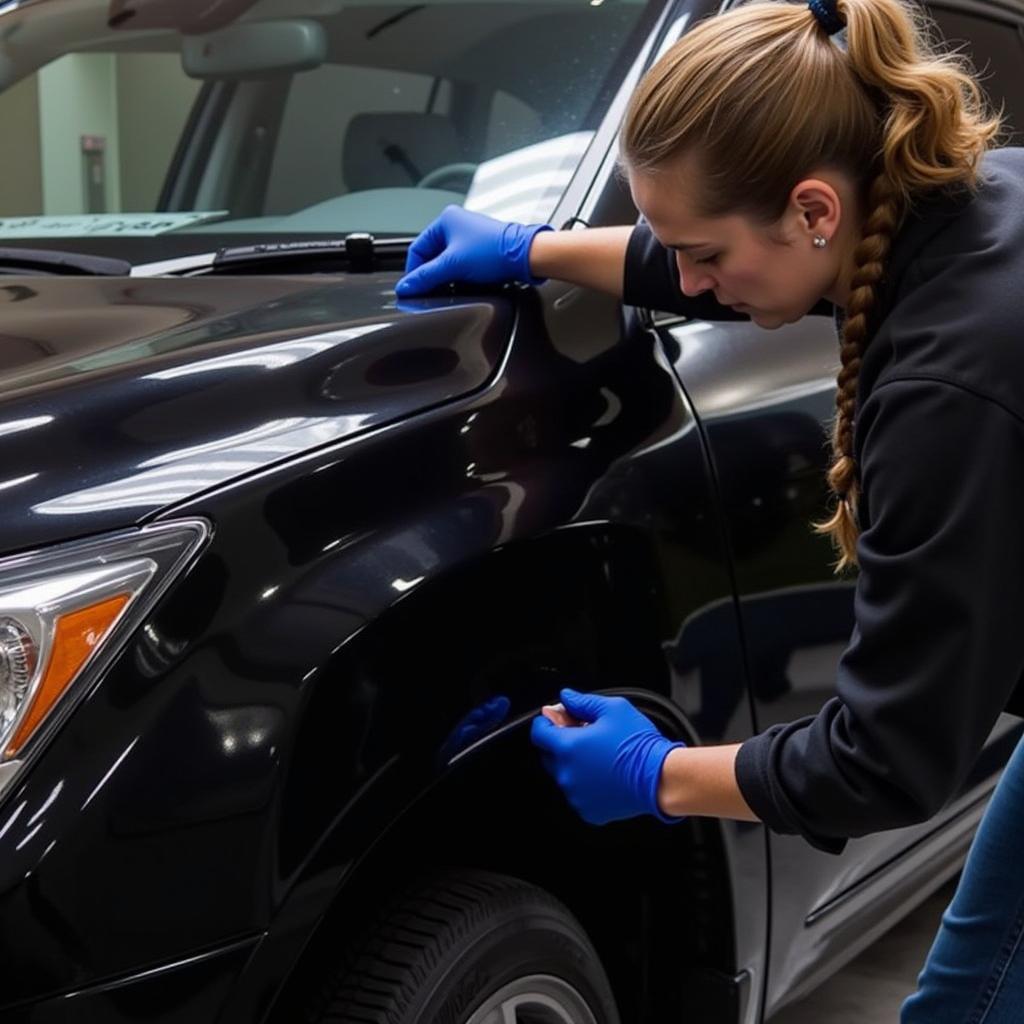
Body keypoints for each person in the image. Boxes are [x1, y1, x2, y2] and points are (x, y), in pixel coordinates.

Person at [396, 0, 1024, 1019]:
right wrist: (532, 250)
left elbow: (890, 761)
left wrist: (659, 774)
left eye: (702, 254)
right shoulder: (950, 197)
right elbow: (707, 261)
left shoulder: (948, 391)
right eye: (669, 245)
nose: (686, 283)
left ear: (814, 210)